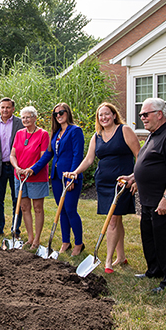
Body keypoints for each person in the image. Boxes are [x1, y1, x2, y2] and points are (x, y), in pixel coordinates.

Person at [121, 97, 166, 294]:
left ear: (159, 114)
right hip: (149, 200)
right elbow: (150, 162)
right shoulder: (155, 134)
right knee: (151, 238)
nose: (142, 117)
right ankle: (155, 270)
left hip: (164, 201)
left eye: (145, 114)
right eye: (141, 114)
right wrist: (134, 177)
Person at [65, 102, 140, 272]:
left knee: (112, 220)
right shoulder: (96, 136)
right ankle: (120, 257)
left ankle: (107, 261)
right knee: (116, 218)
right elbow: (89, 159)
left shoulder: (124, 130)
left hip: (121, 183)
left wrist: (135, 178)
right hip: (103, 183)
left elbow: (139, 155)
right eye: (100, 115)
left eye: (107, 114)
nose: (104, 117)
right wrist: (75, 172)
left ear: (114, 115)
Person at [27, 103, 85, 256]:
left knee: (71, 209)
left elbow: (78, 155)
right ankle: (66, 242)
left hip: (70, 177)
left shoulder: (75, 131)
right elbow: (48, 154)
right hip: (56, 177)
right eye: (56, 114)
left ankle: (79, 244)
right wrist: (34, 169)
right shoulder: (56, 132)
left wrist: (72, 177)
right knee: (62, 210)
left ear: (68, 113)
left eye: (61, 112)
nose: (59, 115)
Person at [11, 106, 50, 249]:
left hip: (36, 177)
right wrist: (17, 167)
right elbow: (12, 155)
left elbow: (44, 157)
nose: (25, 120)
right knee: (24, 207)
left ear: (35, 118)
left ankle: (37, 240)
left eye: (28, 117)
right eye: (23, 117)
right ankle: (30, 237)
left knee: (38, 208)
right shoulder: (19, 134)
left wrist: (32, 169)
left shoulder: (43, 134)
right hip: (20, 177)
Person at [0, 97, 24, 239]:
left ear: (13, 109)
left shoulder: (20, 123)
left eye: (8, 107)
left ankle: (16, 230)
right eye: (2, 107)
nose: (5, 110)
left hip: (16, 168)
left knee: (17, 200)